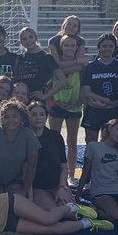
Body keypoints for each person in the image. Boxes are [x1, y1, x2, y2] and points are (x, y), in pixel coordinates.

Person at [77, 118, 118, 224]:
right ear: (110, 128)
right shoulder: (93, 146)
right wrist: (78, 194)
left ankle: (116, 210)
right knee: (116, 216)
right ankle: (94, 210)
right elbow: (86, 172)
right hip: (102, 191)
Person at [48, 20, 88, 182]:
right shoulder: (56, 64)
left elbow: (84, 84)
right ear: (61, 47)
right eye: (66, 46)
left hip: (74, 105)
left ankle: (71, 174)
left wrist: (79, 100)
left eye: (73, 46)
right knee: (55, 139)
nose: (70, 48)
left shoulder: (82, 65)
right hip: (57, 104)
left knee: (72, 141)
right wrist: (77, 65)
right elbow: (51, 82)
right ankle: (55, 171)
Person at [0, 101, 39, 196]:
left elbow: (32, 165)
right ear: (1, 119)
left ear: (21, 118)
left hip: (15, 181)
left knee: (16, 202)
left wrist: (24, 190)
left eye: (15, 116)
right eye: (6, 117)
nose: (11, 120)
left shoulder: (28, 135)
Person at [27, 100, 73, 210]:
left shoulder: (55, 137)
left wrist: (62, 187)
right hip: (38, 188)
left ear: (46, 117)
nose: (38, 117)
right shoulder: (24, 138)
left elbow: (63, 165)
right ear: (28, 117)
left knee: (71, 214)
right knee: (55, 213)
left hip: (57, 185)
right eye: (34, 114)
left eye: (42, 114)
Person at [80, 34, 118, 145]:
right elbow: (86, 91)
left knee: (111, 142)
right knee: (90, 142)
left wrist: (112, 102)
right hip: (94, 109)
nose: (107, 49)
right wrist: (103, 101)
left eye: (110, 46)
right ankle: (89, 163)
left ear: (115, 47)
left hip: (113, 109)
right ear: (99, 47)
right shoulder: (91, 67)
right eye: (104, 46)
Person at [14, 26, 64, 100]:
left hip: (37, 102)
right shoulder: (19, 58)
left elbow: (63, 81)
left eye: (31, 37)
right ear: (21, 42)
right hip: (20, 100)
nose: (28, 40)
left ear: (36, 38)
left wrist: (45, 96)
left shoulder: (46, 58)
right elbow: (15, 80)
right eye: (24, 39)